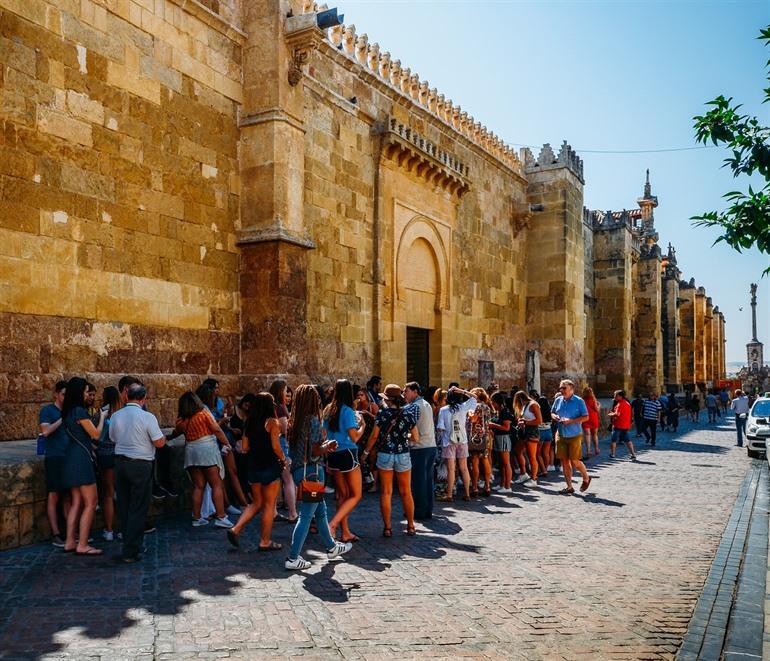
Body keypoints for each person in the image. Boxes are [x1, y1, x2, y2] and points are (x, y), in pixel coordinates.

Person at [284, 385, 352, 570]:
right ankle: (293, 558)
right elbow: (315, 450)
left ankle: (331, 547)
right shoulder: (313, 421)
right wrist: (328, 445)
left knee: (321, 511)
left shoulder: (294, 422)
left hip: (300, 471)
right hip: (312, 472)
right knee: (306, 516)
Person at [109, 383, 166, 563]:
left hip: (120, 464)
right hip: (140, 465)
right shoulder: (147, 417)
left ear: (127, 396)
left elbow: (112, 437)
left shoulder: (116, 416)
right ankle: (131, 550)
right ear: (143, 399)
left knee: (124, 505)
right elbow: (159, 443)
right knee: (138, 507)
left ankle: (128, 544)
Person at [228, 392, 286, 551]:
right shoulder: (272, 422)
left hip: (253, 466)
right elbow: (276, 446)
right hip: (269, 466)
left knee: (256, 502)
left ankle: (235, 529)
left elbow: (244, 447)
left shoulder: (249, 422)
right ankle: (265, 541)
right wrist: (284, 459)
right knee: (269, 505)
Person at [167, 392, 234, 528]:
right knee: (216, 484)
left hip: (191, 452)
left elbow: (176, 433)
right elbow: (217, 430)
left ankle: (197, 518)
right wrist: (227, 443)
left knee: (198, 486)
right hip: (206, 450)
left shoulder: (181, 420)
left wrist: (167, 438)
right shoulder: (203, 414)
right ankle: (221, 517)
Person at [362, 384, 419, 537]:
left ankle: (387, 528)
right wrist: (404, 436)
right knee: (406, 491)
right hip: (403, 454)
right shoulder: (408, 414)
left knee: (386, 492)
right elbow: (416, 437)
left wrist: (366, 452)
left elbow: (374, 436)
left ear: (387, 399)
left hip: (385, 454)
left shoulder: (382, 414)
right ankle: (411, 526)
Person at [61, 376, 107, 555]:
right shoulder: (79, 411)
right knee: (91, 502)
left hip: (71, 457)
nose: (88, 394)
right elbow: (95, 434)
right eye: (86, 391)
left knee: (76, 502)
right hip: (81, 459)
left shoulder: (68, 412)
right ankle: (83, 544)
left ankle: (70, 541)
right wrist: (102, 418)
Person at [324, 379, 366, 543]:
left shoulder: (328, 410)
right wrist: (362, 427)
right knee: (356, 495)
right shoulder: (347, 411)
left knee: (342, 495)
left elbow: (323, 434)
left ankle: (345, 532)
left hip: (333, 453)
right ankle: (333, 524)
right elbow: (354, 437)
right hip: (347, 452)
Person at [197, 384, 247, 514]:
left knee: (230, 471)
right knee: (219, 476)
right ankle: (226, 506)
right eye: (215, 389)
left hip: (224, 438)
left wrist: (229, 426)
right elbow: (213, 427)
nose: (217, 392)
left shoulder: (216, 404)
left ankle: (241, 503)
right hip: (216, 442)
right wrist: (223, 421)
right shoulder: (204, 409)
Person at [38, 381, 70, 547]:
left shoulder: (70, 411)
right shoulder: (48, 411)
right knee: (54, 494)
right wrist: (62, 419)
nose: (66, 397)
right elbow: (45, 431)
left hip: (68, 457)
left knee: (67, 495)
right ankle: (55, 533)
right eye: (64, 394)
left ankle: (70, 532)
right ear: (56, 394)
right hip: (54, 457)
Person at [436, 386, 477, 502]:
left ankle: (449, 495)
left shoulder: (443, 410)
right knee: (464, 468)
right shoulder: (463, 407)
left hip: (448, 441)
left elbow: (440, 428)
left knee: (451, 469)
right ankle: (467, 494)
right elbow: (475, 397)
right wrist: (462, 391)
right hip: (462, 441)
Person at [551, 379, 591, 495]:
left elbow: (586, 417)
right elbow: (552, 412)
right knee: (564, 461)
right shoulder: (558, 400)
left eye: (564, 388)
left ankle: (586, 477)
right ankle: (569, 487)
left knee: (575, 460)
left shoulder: (579, 401)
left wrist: (571, 421)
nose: (561, 390)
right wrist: (554, 417)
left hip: (574, 434)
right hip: (561, 434)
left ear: (571, 389)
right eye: (560, 388)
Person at [404, 382, 437, 520]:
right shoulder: (426, 404)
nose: (404, 394)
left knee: (419, 481)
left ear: (415, 391)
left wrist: (405, 436)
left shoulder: (414, 407)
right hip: (430, 446)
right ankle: (427, 509)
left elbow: (412, 429)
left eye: (406, 391)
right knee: (427, 480)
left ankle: (419, 510)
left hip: (419, 447)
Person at [269, 379, 298, 524]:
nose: (287, 394)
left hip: (270, 444)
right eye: (286, 391)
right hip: (281, 444)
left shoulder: (269, 406)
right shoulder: (280, 408)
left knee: (275, 479)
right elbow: (285, 429)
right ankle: (293, 513)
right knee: (288, 479)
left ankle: (273, 512)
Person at [96, 386, 121, 541]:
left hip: (105, 455)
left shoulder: (103, 413)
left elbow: (98, 436)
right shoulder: (123, 413)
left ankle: (109, 530)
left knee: (108, 494)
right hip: (122, 454)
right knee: (122, 493)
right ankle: (123, 528)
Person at [512, 390, 542, 486]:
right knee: (517, 451)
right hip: (524, 432)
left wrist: (525, 422)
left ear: (520, 399)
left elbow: (539, 421)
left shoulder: (533, 405)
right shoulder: (525, 405)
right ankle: (523, 473)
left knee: (532, 457)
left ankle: (534, 479)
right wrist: (521, 421)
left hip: (532, 433)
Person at [467, 388, 493, 497]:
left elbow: (473, 419)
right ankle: (487, 486)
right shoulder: (487, 407)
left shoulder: (475, 406)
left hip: (475, 437)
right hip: (485, 436)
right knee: (485, 460)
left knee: (475, 461)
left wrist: (468, 414)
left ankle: (475, 487)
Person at [489, 392, 514, 492]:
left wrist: (493, 425)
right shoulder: (498, 412)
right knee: (501, 464)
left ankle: (507, 486)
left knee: (506, 463)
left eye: (493, 402)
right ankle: (502, 484)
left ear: (497, 402)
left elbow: (506, 428)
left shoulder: (505, 412)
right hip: (498, 438)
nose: (492, 404)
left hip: (504, 438)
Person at [608, 390, 637, 460]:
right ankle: (633, 454)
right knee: (628, 440)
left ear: (620, 396)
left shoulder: (620, 404)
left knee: (613, 440)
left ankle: (612, 454)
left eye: (616, 396)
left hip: (618, 425)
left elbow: (617, 414)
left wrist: (610, 414)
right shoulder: (627, 403)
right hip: (625, 425)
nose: (614, 397)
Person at [531, 390, 554, 475]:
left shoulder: (538, 411)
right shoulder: (548, 413)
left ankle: (543, 470)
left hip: (540, 432)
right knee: (546, 453)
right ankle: (546, 469)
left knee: (538, 454)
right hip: (548, 432)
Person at [581, 387, 601, 457]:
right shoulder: (593, 399)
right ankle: (596, 449)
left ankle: (588, 451)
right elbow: (597, 410)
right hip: (593, 418)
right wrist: (599, 405)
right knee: (594, 434)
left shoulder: (582, 400)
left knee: (587, 434)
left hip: (585, 417)